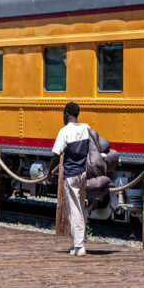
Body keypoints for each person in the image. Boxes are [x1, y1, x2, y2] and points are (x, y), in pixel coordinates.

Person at [48, 101, 91, 256]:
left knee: (74, 209)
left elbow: (56, 153)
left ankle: (79, 246)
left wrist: (49, 172)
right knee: (81, 207)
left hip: (72, 174)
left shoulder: (64, 131)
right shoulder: (86, 128)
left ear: (66, 114)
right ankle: (78, 242)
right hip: (85, 173)